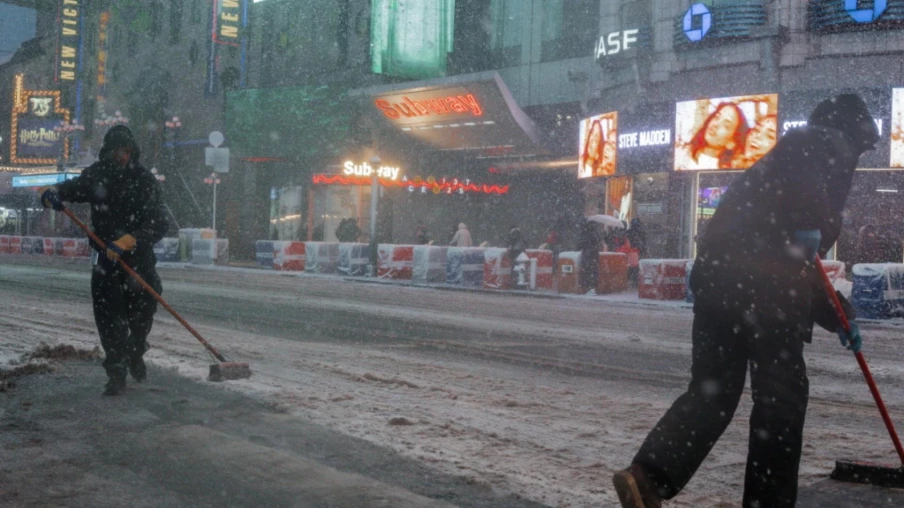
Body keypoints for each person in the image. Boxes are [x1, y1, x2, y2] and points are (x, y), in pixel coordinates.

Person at [613, 94, 879, 508]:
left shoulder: (780, 166)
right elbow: (794, 250)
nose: (856, 159)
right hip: (765, 295)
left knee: (712, 392)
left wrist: (839, 316)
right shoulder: (817, 144)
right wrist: (814, 223)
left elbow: (794, 258)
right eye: (860, 148)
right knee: (781, 404)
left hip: (721, 283)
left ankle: (648, 476)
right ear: (851, 134)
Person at [38, 125, 168, 396]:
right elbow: (71, 189)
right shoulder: (96, 176)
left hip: (138, 261)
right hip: (106, 261)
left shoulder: (144, 180)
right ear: (108, 152)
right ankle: (116, 372)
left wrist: (130, 239)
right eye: (117, 151)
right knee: (109, 320)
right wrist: (53, 193)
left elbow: (159, 223)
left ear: (132, 152)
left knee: (143, 314)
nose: (122, 156)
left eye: (127, 151)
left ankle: (135, 350)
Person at [676, 102, 749, 170]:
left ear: (732, 143)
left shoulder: (723, 172)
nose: (716, 124)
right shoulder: (680, 152)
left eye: (726, 125)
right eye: (717, 117)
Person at [577, 219, 602, 294]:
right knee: (594, 271)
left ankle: (585, 288)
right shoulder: (597, 234)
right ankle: (593, 288)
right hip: (594, 255)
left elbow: (579, 245)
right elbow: (599, 243)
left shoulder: (585, 234)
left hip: (586, 255)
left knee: (585, 271)